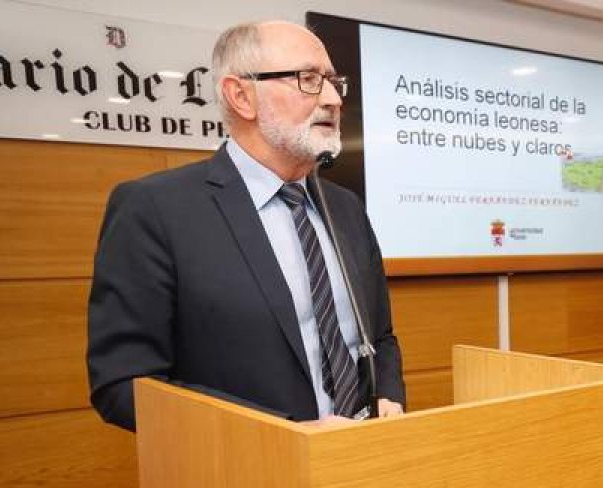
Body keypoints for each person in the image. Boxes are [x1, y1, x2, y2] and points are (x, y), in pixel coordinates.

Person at [87, 20, 405, 432]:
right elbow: (124, 383)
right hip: (241, 480)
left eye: (332, 81)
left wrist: (389, 400)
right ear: (241, 96)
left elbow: (380, 337)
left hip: (358, 468)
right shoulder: (154, 209)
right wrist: (285, 435)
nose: (332, 98)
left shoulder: (345, 208)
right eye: (308, 79)